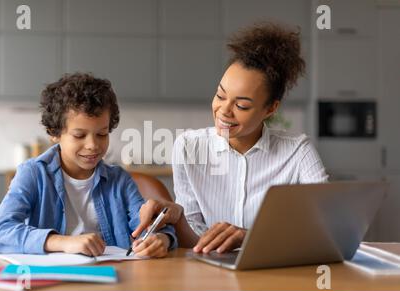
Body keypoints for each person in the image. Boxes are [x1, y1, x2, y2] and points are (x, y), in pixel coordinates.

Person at [132, 23, 328, 254]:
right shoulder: (188, 147)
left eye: (241, 105)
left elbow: (325, 228)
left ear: (270, 109)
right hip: (213, 274)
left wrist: (249, 237)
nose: (224, 110)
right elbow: (195, 237)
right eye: (220, 95)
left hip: (274, 273)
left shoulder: (298, 152)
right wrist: (177, 218)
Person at [0, 73, 177, 258]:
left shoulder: (119, 180)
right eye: (79, 135)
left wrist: (162, 239)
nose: (93, 145)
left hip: (113, 278)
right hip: (52, 282)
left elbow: (151, 227)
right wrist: (63, 242)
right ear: (54, 132)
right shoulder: (34, 174)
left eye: (102, 134)